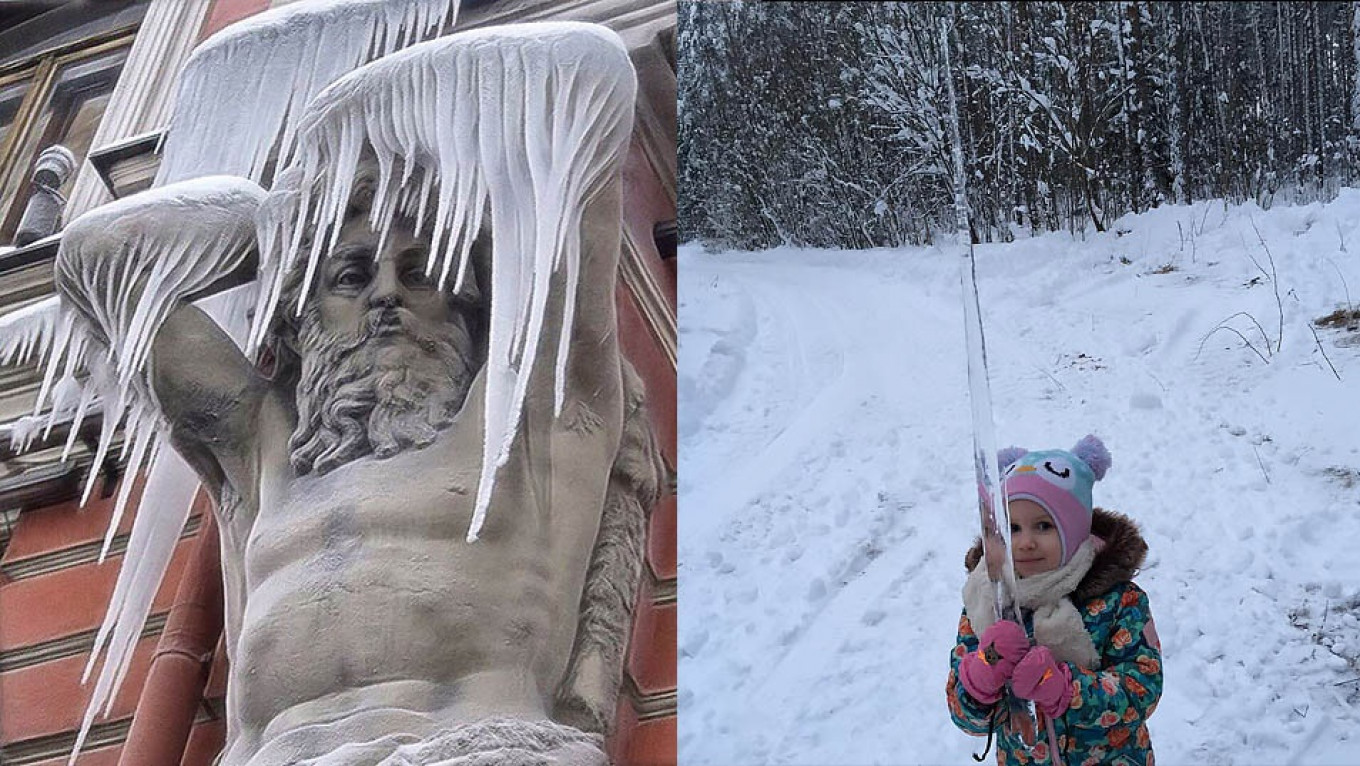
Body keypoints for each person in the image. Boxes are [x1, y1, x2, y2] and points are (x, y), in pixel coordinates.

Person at [53, 23, 660, 766]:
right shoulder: (264, 450)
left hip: (470, 750)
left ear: (472, 304)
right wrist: (295, 224)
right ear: (301, 321)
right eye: (350, 278)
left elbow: (589, 74)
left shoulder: (529, 420)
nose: (384, 299)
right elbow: (97, 261)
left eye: (418, 272)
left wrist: (367, 131)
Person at [946, 435, 1162, 766]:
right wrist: (981, 678)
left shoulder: (1119, 602)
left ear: (1074, 529)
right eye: (1013, 528)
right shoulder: (987, 602)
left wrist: (1068, 690)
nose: (1025, 542)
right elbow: (965, 716)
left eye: (1044, 526)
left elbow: (1142, 688)